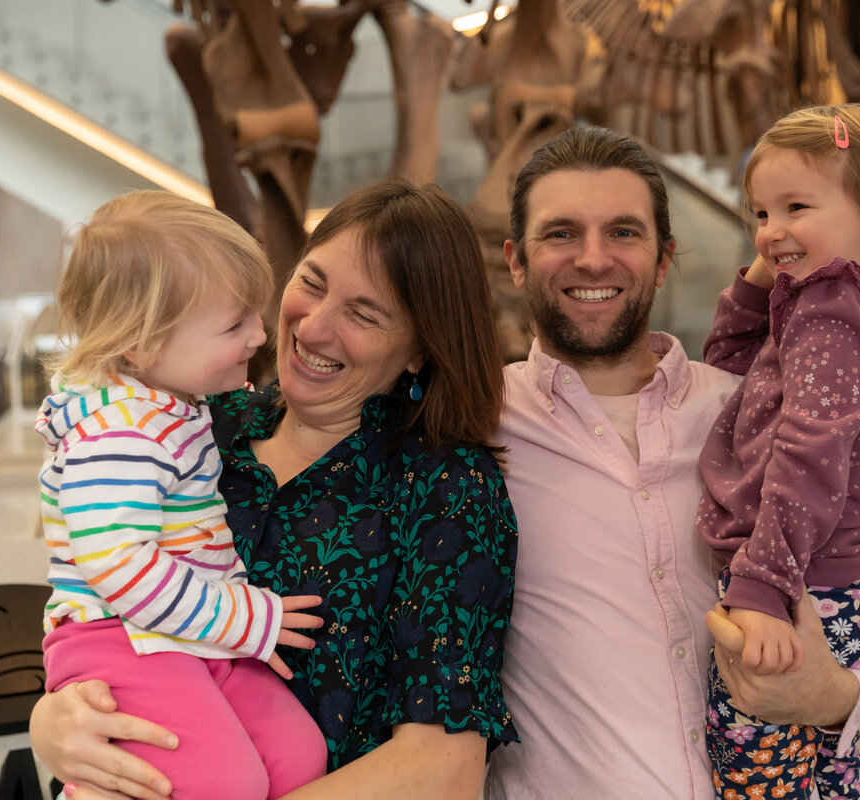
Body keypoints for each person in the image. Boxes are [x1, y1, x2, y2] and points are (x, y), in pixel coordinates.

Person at [29, 178, 519, 800]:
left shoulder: (446, 488)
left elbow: (441, 770)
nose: (311, 327)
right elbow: (95, 606)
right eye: (310, 283)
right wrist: (52, 725)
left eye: (364, 314)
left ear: (421, 349)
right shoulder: (205, 423)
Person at [486, 125, 860, 800]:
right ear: (516, 260)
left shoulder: (743, 411)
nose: (594, 258)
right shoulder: (471, 433)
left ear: (664, 259)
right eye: (561, 233)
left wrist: (836, 694)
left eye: (625, 233)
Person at [696, 104, 860, 800]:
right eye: (759, 214)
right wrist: (762, 274)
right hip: (838, 589)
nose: (771, 231)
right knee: (827, 772)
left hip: (803, 589)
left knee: (755, 778)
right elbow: (729, 375)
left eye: (796, 206)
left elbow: (810, 460)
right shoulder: (851, 305)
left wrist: (761, 587)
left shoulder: (834, 313)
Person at [37, 190, 327, 800]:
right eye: (233, 324)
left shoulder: (171, 404)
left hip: (180, 632)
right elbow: (117, 565)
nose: (260, 333)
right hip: (118, 637)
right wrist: (242, 617)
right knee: (227, 782)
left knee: (299, 758)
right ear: (140, 343)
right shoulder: (119, 429)